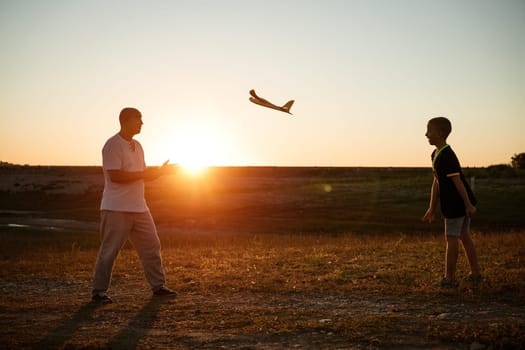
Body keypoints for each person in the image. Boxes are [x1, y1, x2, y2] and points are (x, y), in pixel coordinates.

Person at [92, 107, 177, 303]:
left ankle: (158, 286)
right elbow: (116, 176)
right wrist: (145, 174)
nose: (142, 123)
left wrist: (161, 172)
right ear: (127, 120)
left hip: (139, 207)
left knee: (152, 246)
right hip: (116, 208)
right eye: (139, 119)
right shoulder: (112, 145)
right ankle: (98, 292)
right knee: (109, 251)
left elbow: (142, 174)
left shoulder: (138, 146)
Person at [422, 117, 481, 288]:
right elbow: (437, 182)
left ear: (440, 133)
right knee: (464, 236)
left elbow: (458, 182)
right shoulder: (435, 154)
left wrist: (468, 204)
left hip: (457, 205)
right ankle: (475, 274)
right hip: (454, 204)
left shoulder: (448, 155)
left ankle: (449, 279)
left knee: (452, 238)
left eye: (429, 131)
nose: (426, 134)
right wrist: (431, 208)